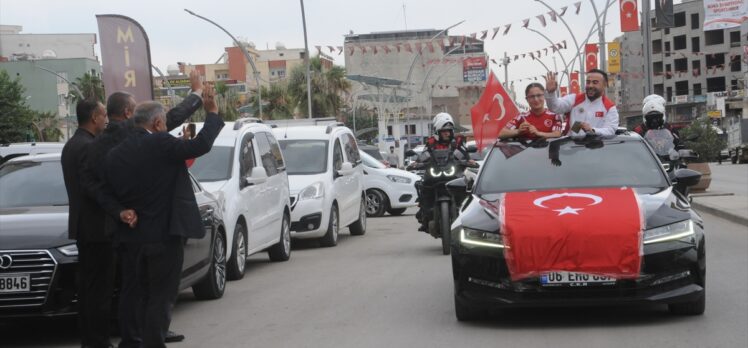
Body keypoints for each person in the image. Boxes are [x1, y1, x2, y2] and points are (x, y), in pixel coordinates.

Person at [79, 70, 205, 346]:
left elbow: (92, 184)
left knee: (131, 290)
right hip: (151, 228)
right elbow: (168, 120)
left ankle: (132, 340)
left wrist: (118, 210)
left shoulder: (96, 146)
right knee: (156, 290)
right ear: (127, 114)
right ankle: (150, 337)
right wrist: (196, 95)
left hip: (121, 227)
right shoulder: (134, 134)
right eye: (135, 110)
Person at [103, 95, 224, 348]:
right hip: (164, 235)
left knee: (137, 294)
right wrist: (212, 114)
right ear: (158, 122)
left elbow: (105, 191)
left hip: (132, 235)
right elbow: (200, 145)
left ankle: (132, 342)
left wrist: (121, 211)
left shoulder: (116, 154)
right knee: (161, 296)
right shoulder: (161, 143)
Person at [61, 98, 133, 348]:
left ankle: (93, 340)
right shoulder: (87, 146)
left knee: (91, 290)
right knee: (98, 291)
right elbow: (91, 187)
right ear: (94, 117)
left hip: (87, 228)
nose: (106, 120)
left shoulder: (72, 144)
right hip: (97, 229)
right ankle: (98, 342)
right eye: (103, 115)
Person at [411, 112, 470, 233]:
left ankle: (467, 213)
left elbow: (464, 153)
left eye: (448, 130)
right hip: (435, 174)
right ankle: (424, 214)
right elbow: (425, 154)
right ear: (438, 132)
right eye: (444, 131)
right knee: (423, 187)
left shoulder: (457, 141)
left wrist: (468, 161)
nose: (447, 133)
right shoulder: (431, 142)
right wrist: (417, 163)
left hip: (453, 174)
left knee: (467, 186)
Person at [545, 69, 619, 138]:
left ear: (605, 84)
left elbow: (610, 130)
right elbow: (555, 107)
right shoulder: (574, 99)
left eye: (595, 82)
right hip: (573, 147)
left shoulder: (610, 107)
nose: (590, 86)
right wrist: (551, 93)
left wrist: (592, 130)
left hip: (596, 148)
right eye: (588, 82)